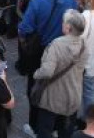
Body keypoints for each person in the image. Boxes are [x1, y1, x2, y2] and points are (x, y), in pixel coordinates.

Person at [31, 10, 86, 138]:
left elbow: (47, 71)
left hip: (53, 97)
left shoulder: (57, 45)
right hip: (74, 95)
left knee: (45, 129)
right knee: (66, 130)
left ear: (68, 27)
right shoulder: (84, 45)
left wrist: (36, 74)